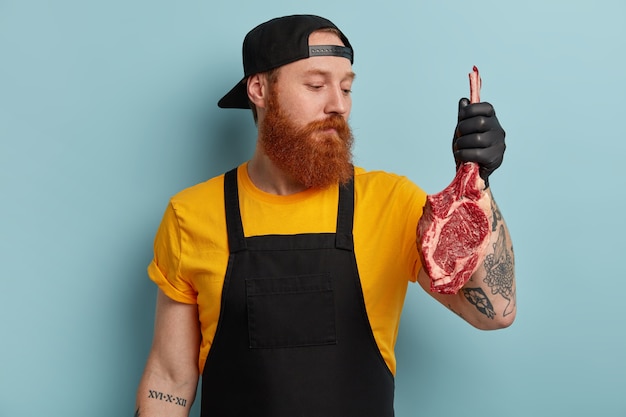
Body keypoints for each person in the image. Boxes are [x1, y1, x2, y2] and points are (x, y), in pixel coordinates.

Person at [135, 14, 516, 417]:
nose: (338, 104)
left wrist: (479, 184)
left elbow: (494, 312)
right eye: (316, 85)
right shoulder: (190, 215)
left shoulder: (392, 202)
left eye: (346, 87)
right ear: (259, 89)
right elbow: (169, 378)